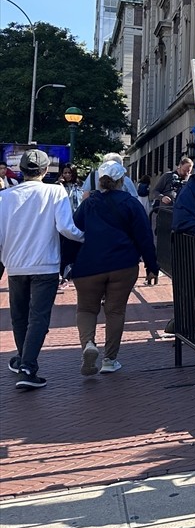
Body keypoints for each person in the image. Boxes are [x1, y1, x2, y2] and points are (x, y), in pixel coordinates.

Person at [0, 150, 86, 389]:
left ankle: (22, 359)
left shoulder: (4, 197)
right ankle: (28, 366)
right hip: (45, 263)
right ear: (46, 170)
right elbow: (66, 228)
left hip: (15, 264)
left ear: (20, 171)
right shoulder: (55, 191)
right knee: (38, 317)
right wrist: (85, 237)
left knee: (19, 315)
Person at [71, 160, 159, 376]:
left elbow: (74, 229)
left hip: (89, 264)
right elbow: (144, 236)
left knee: (86, 308)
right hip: (123, 263)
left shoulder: (89, 203)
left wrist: (67, 263)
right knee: (115, 310)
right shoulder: (131, 203)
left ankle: (88, 344)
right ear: (122, 179)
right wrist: (151, 266)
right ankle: (110, 359)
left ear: (100, 180)